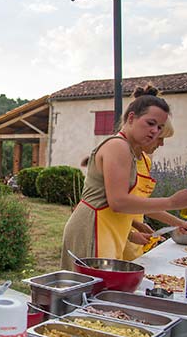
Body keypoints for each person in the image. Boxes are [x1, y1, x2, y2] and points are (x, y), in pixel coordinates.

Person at [61, 86, 187, 270]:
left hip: (110, 230)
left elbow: (126, 202)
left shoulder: (130, 151)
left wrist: (133, 228)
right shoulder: (118, 146)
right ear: (131, 118)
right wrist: (171, 202)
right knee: (87, 291)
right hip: (93, 229)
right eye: (150, 123)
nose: (155, 132)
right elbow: (118, 202)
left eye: (159, 127)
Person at [123, 105, 187, 260]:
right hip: (118, 235)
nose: (161, 144)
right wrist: (172, 202)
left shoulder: (145, 161)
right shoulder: (121, 156)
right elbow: (115, 203)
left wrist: (180, 223)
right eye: (160, 138)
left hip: (134, 235)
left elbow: (144, 205)